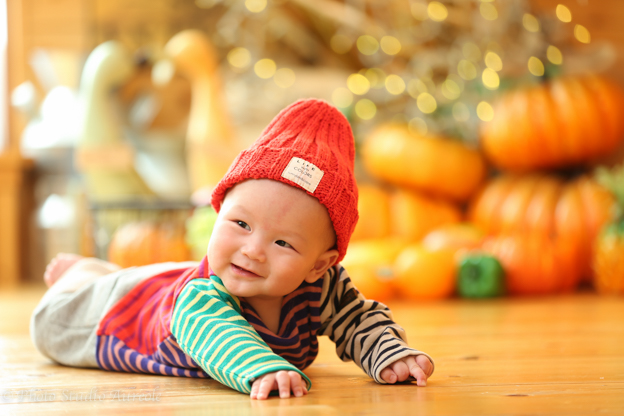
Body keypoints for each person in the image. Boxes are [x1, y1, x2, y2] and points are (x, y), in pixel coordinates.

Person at [31, 98, 434, 400]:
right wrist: (262, 368)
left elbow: (358, 320)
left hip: (167, 281)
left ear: (319, 265)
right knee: (51, 324)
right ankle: (85, 276)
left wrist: (391, 355)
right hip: (115, 318)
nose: (253, 250)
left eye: (282, 243)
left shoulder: (323, 286)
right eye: (240, 224)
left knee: (159, 277)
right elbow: (215, 330)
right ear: (219, 211)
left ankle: (101, 271)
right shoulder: (199, 300)